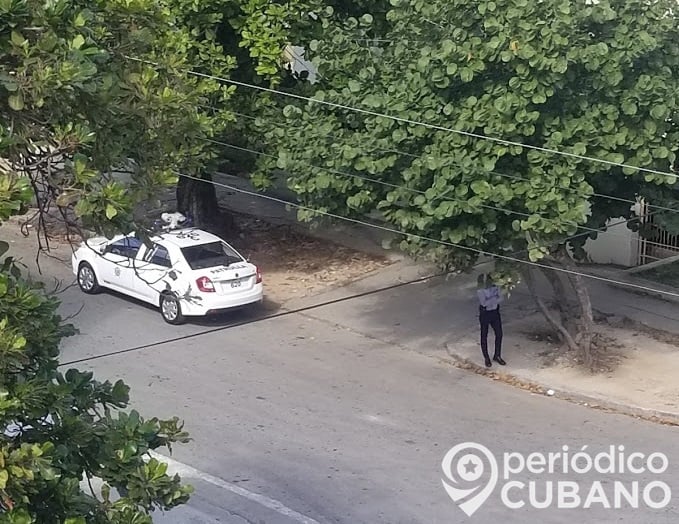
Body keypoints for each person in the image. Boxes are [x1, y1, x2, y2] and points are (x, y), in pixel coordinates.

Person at [476, 274, 506, 368]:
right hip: (485, 313)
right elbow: (483, 303)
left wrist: (491, 299)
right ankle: (486, 357)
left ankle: (497, 355)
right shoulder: (480, 291)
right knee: (484, 335)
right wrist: (494, 298)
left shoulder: (495, 287)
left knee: (499, 333)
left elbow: (501, 298)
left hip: (495, 312)